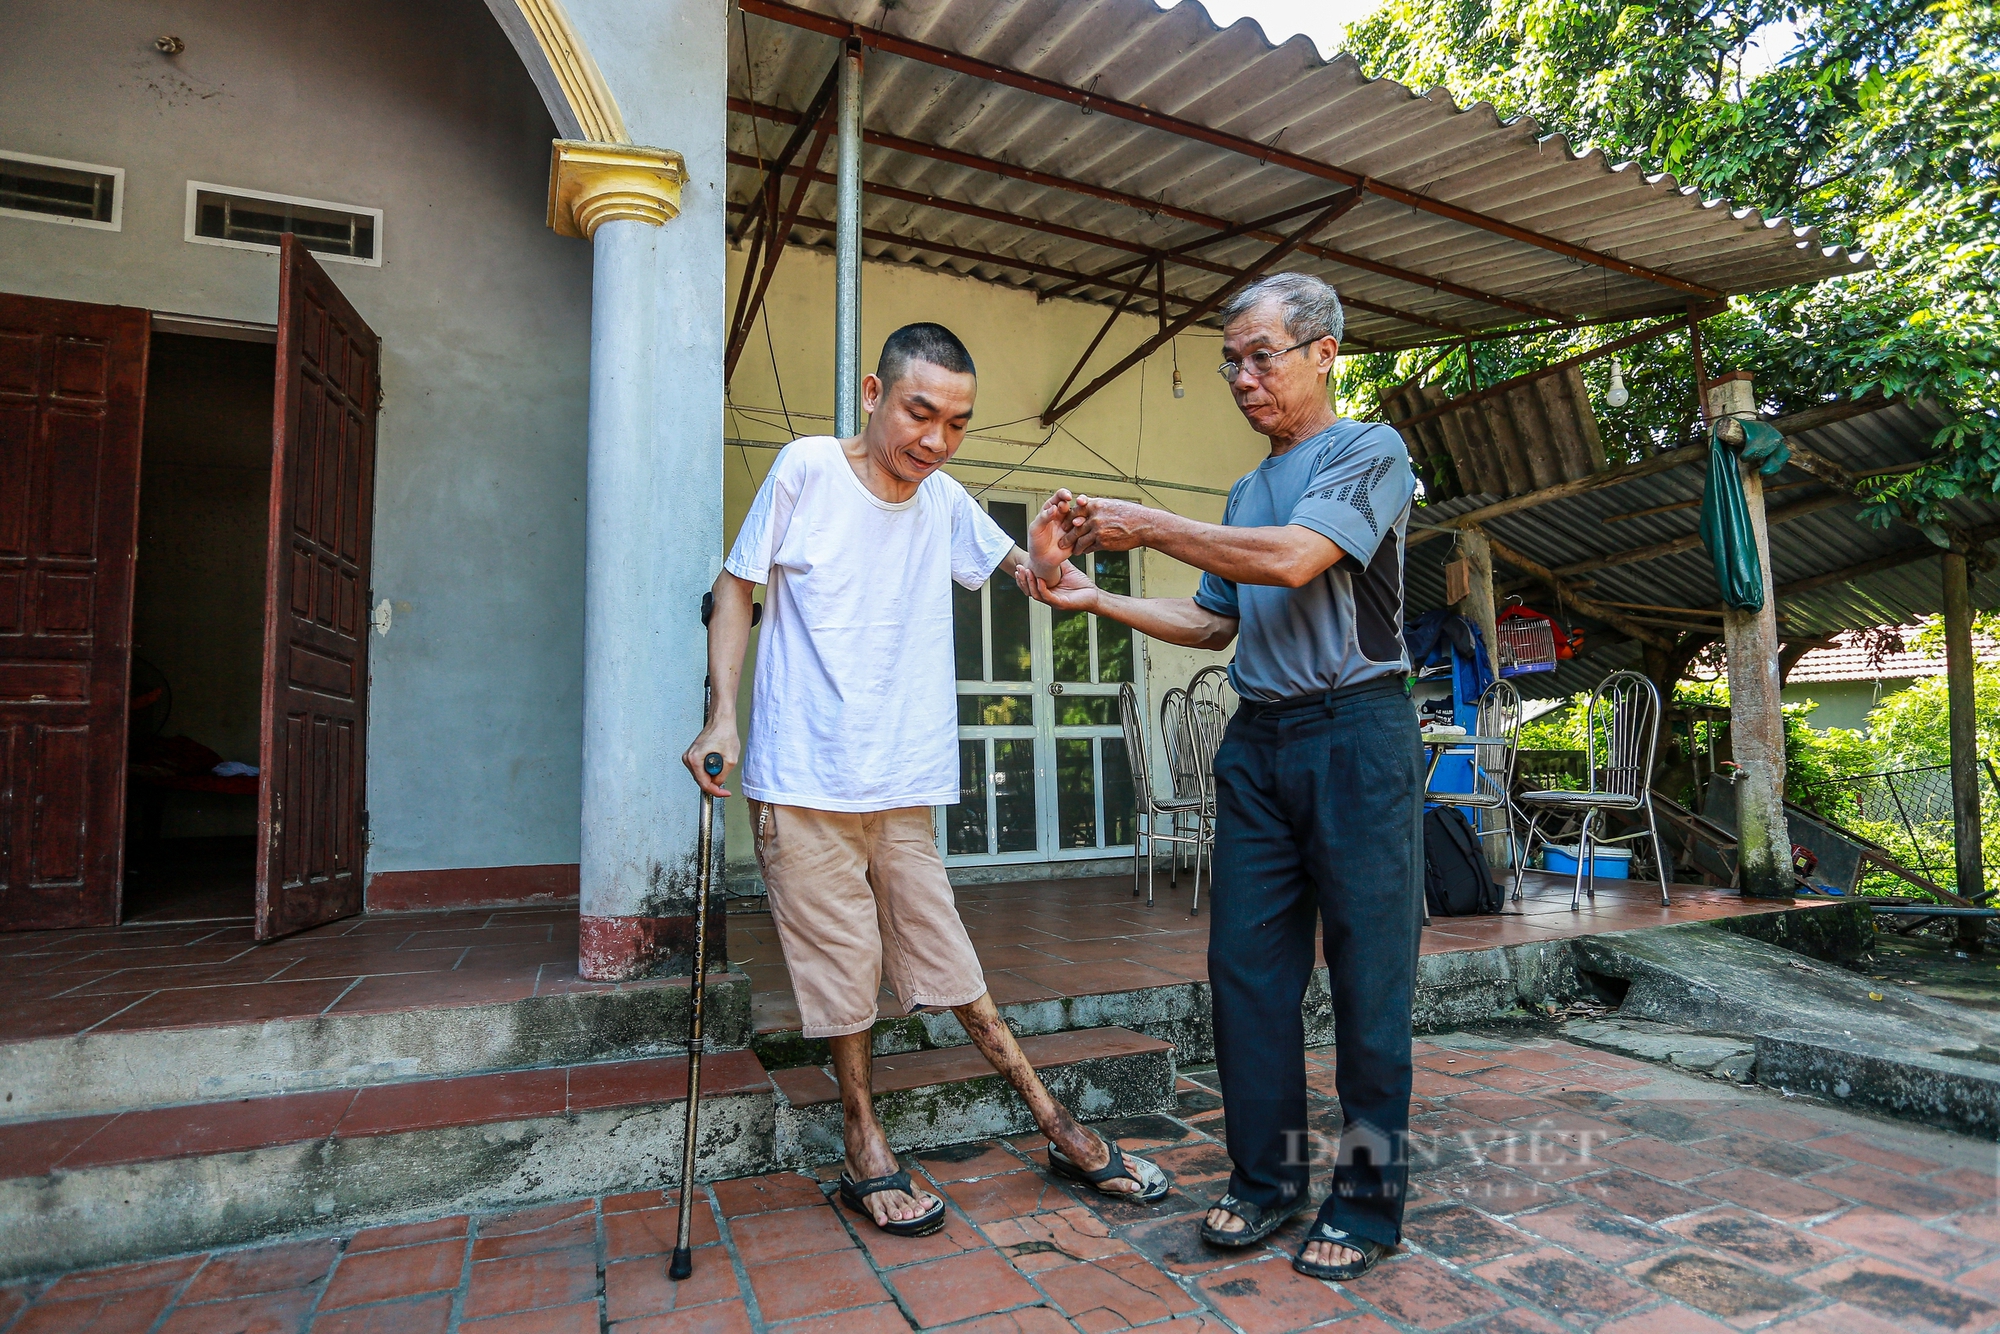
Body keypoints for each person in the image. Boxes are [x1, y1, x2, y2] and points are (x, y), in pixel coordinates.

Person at [684, 322, 1166, 1236]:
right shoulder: (805, 471)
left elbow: (1025, 571)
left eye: (957, 423)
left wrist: (1052, 559)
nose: (936, 441)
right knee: (845, 976)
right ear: (873, 395)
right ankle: (863, 1143)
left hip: (900, 787)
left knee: (950, 963)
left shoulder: (942, 500)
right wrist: (722, 715)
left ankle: (1055, 1123)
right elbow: (737, 586)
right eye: (919, 413)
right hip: (803, 779)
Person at [1024, 272, 1421, 1280]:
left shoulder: (1368, 451)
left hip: (1355, 736)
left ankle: (1366, 1206)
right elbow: (1214, 619)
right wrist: (1094, 600)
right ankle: (1264, 1180)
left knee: (1368, 977)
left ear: (1323, 352)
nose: (1242, 378)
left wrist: (1146, 523)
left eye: (1261, 355)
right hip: (1258, 746)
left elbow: (1293, 560)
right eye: (1229, 362)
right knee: (1245, 974)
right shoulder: (1245, 490)